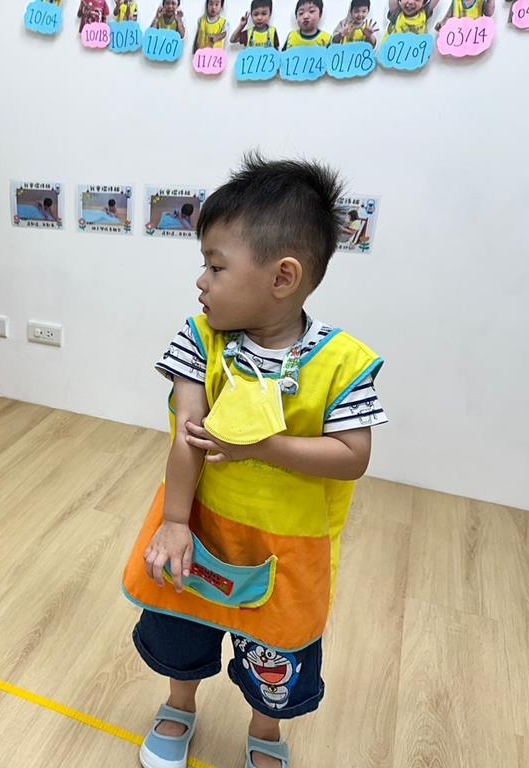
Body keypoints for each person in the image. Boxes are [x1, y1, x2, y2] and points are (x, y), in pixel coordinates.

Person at [123, 154, 387, 768]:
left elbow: (352, 457)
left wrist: (261, 446)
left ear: (283, 276)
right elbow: (189, 435)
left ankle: (265, 733)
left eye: (216, 266)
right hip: (201, 527)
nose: (201, 281)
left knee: (276, 651)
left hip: (287, 548)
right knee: (182, 622)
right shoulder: (199, 339)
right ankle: (179, 705)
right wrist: (174, 522)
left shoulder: (344, 365)